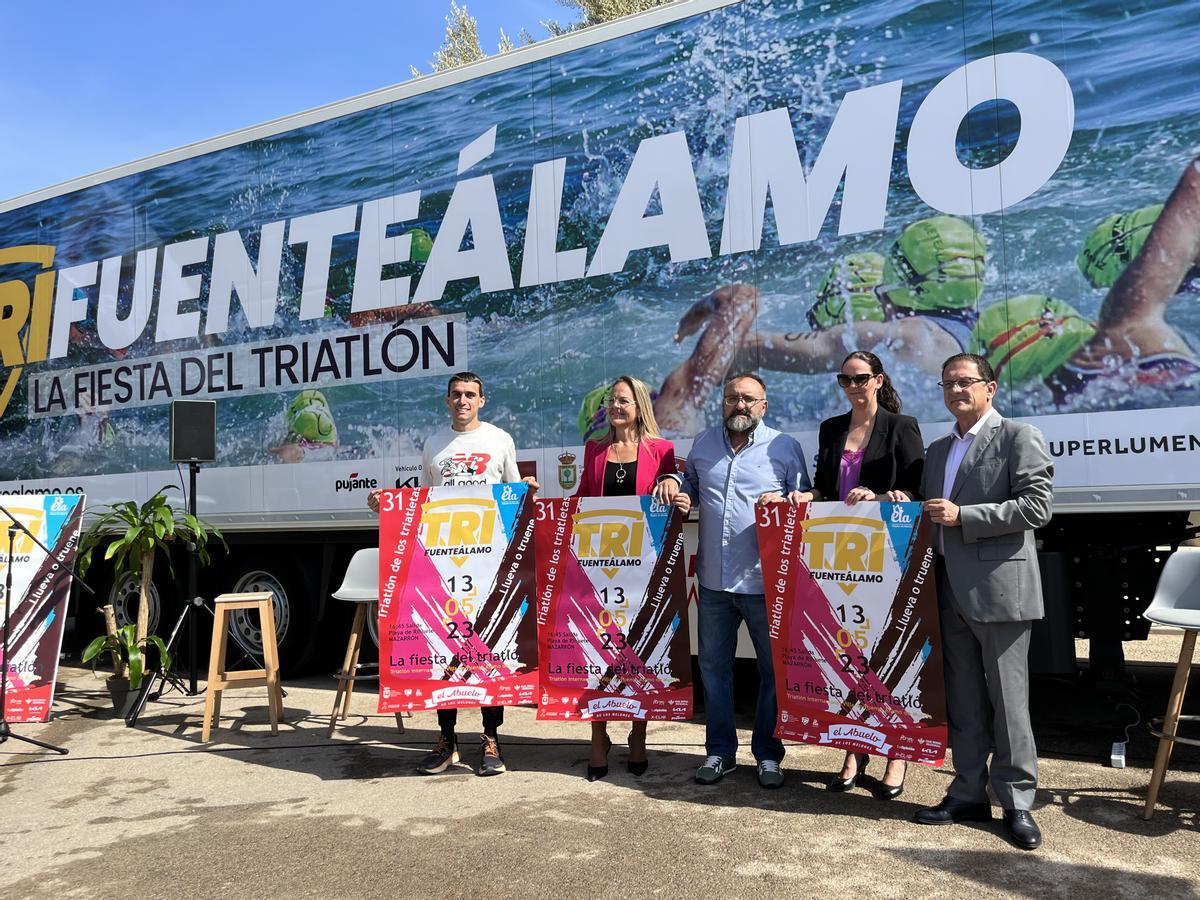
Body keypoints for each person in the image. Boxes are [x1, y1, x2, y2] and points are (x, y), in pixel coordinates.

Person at [765, 350, 924, 800]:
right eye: (845, 379)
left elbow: (917, 488)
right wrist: (802, 496)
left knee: (887, 652)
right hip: (839, 557)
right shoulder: (831, 428)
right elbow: (825, 488)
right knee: (848, 654)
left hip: (888, 556)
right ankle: (854, 749)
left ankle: (897, 751)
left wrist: (889, 494)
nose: (852, 385)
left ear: (878, 380)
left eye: (860, 378)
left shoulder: (901, 426)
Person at [367, 371, 539, 777]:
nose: (463, 400)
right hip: (445, 565)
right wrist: (386, 503)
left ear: (483, 400)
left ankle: (491, 739)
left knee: (487, 651)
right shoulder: (433, 444)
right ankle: (446, 740)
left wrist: (527, 489)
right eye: (456, 395)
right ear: (447, 401)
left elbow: (514, 496)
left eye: (470, 394)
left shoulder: (500, 440)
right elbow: (423, 502)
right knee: (444, 650)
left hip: (488, 564)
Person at [915, 353, 1053, 851]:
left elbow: (1037, 507)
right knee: (966, 701)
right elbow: (927, 512)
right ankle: (968, 791)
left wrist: (964, 515)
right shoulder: (937, 450)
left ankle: (1017, 802)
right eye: (947, 383)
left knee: (1009, 706)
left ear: (989, 388)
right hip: (949, 590)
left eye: (965, 382)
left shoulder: (1018, 436)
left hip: (1001, 593)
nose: (955, 390)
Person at [654, 373, 811, 789]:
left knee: (771, 673)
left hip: (765, 583)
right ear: (722, 403)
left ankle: (768, 755)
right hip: (714, 582)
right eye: (732, 398)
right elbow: (686, 487)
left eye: (748, 399)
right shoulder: (703, 444)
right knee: (713, 669)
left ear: (763, 405)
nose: (739, 406)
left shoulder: (784, 447)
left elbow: (808, 500)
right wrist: (672, 482)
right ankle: (720, 752)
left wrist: (789, 500)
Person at [574, 375, 678, 781]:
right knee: (598, 651)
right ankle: (598, 737)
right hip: (599, 565)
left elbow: (672, 493)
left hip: (642, 567)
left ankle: (638, 735)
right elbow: (582, 498)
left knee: (640, 653)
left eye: (624, 400)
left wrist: (672, 483)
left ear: (639, 406)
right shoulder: (594, 450)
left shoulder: (663, 450)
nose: (616, 406)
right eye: (611, 401)